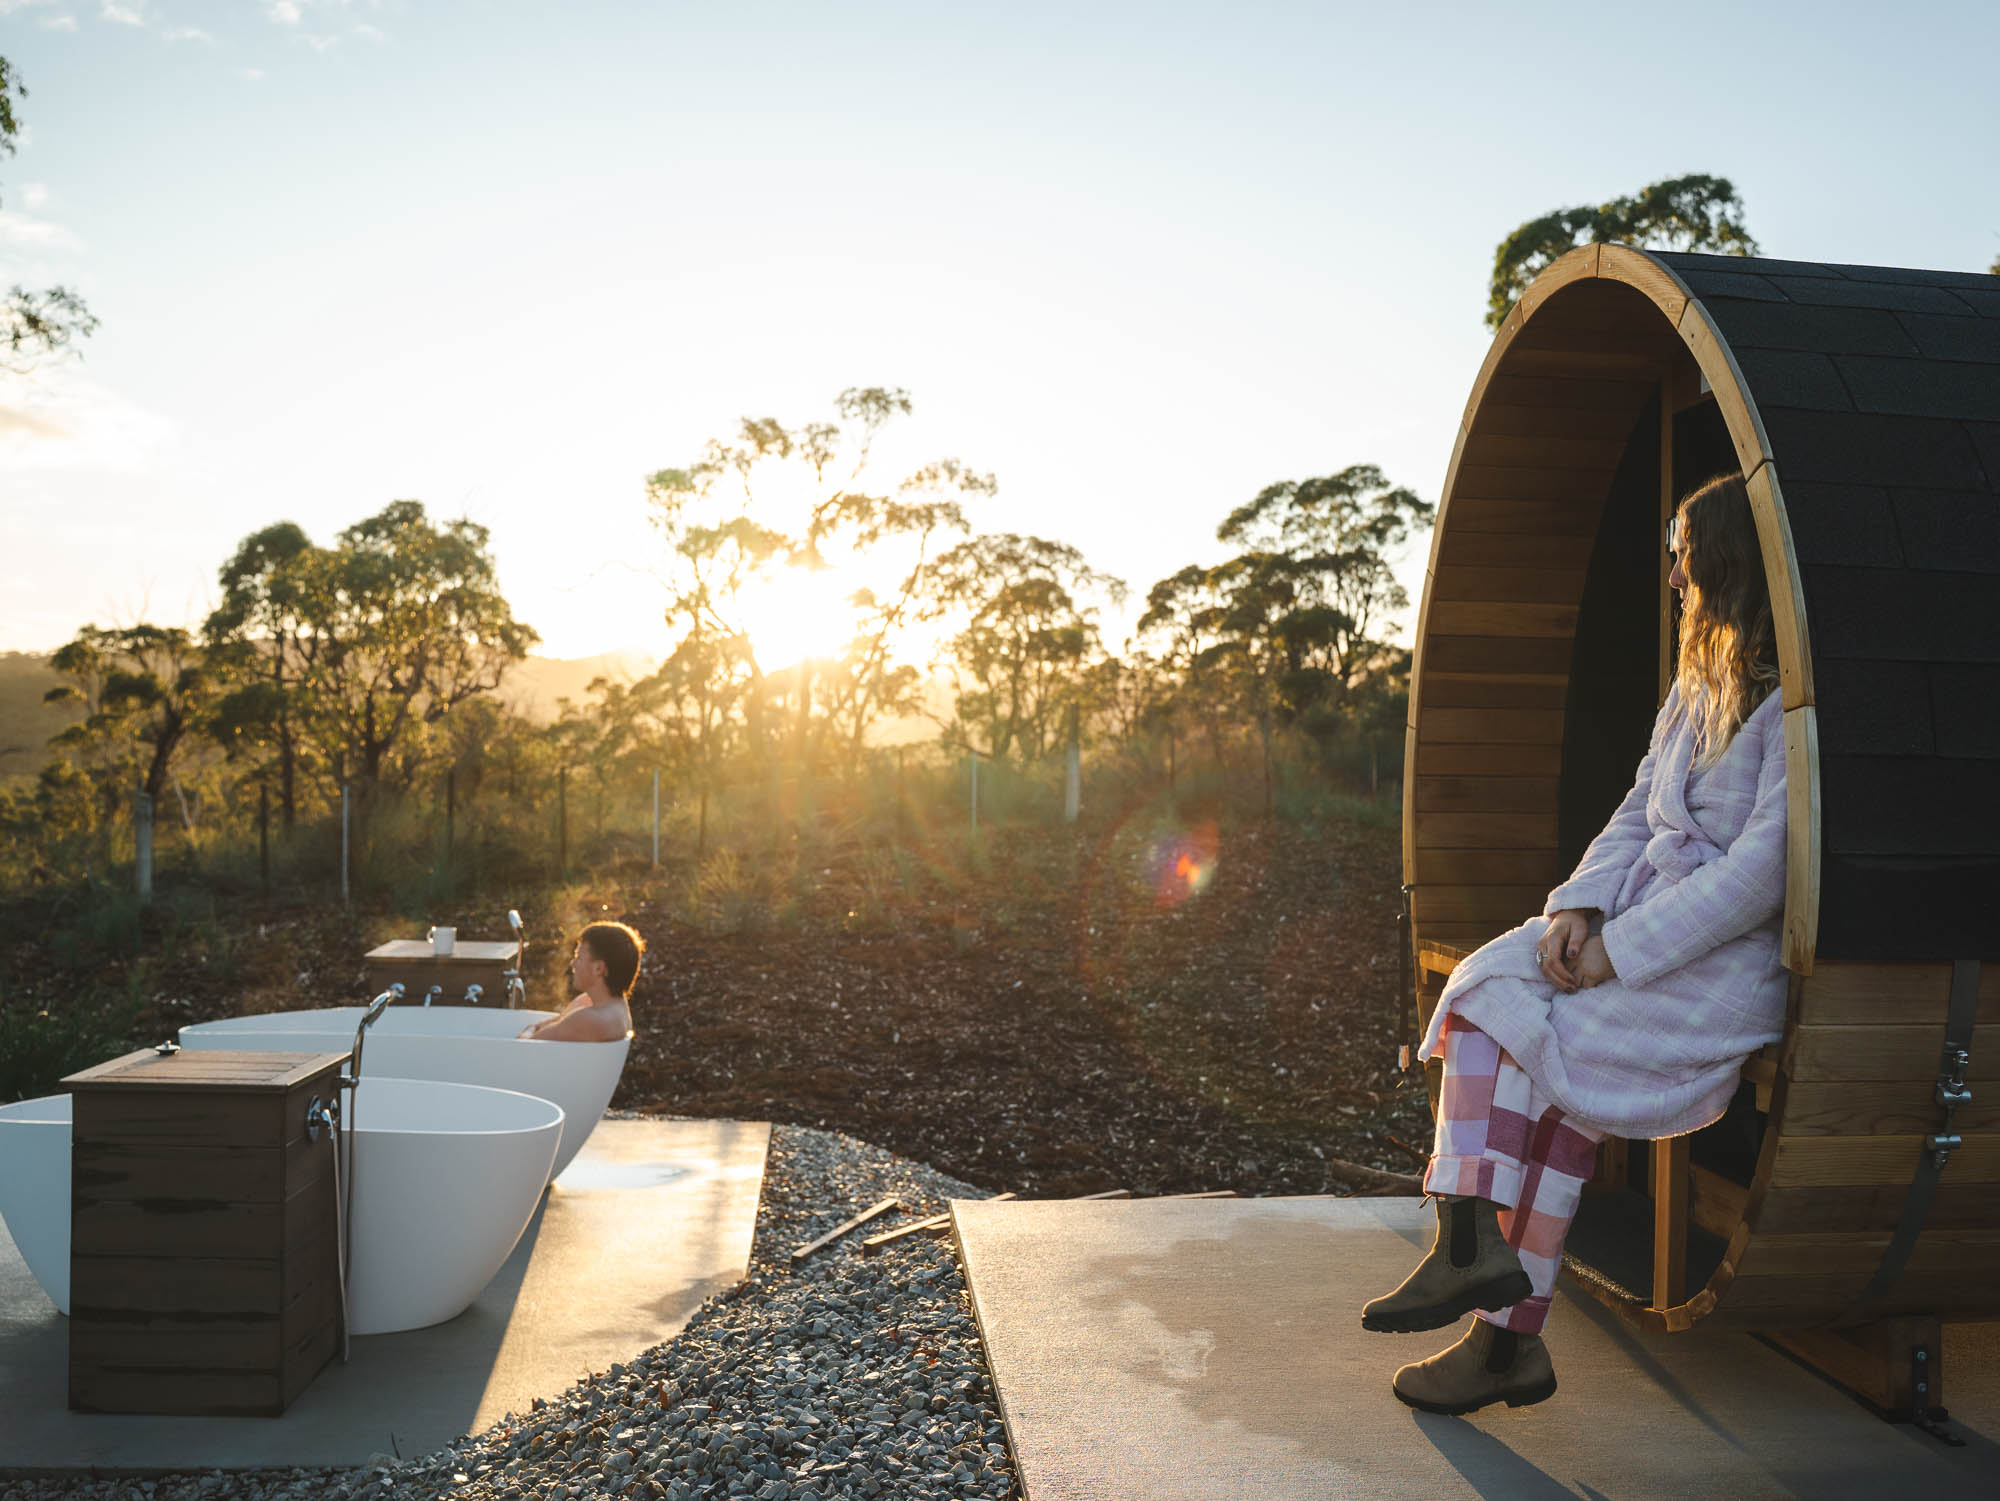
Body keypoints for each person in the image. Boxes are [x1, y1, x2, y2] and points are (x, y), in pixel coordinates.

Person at [1364, 472, 1790, 1414]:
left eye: (1680, 556)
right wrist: (1578, 911)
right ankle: (1467, 1244)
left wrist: (1619, 952)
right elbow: (1639, 807)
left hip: (1714, 965)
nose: (1672, 578)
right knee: (1481, 985)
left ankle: (1505, 1345)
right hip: (1627, 916)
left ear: (1720, 559)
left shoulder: (1793, 712)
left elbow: (1757, 880)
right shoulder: (1695, 689)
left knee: (1554, 1082)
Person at [520, 920, 645, 1042]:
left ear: (598, 969)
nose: (572, 963)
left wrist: (530, 1028)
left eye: (578, 957)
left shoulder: (590, 1020)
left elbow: (522, 1047)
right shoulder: (615, 1007)